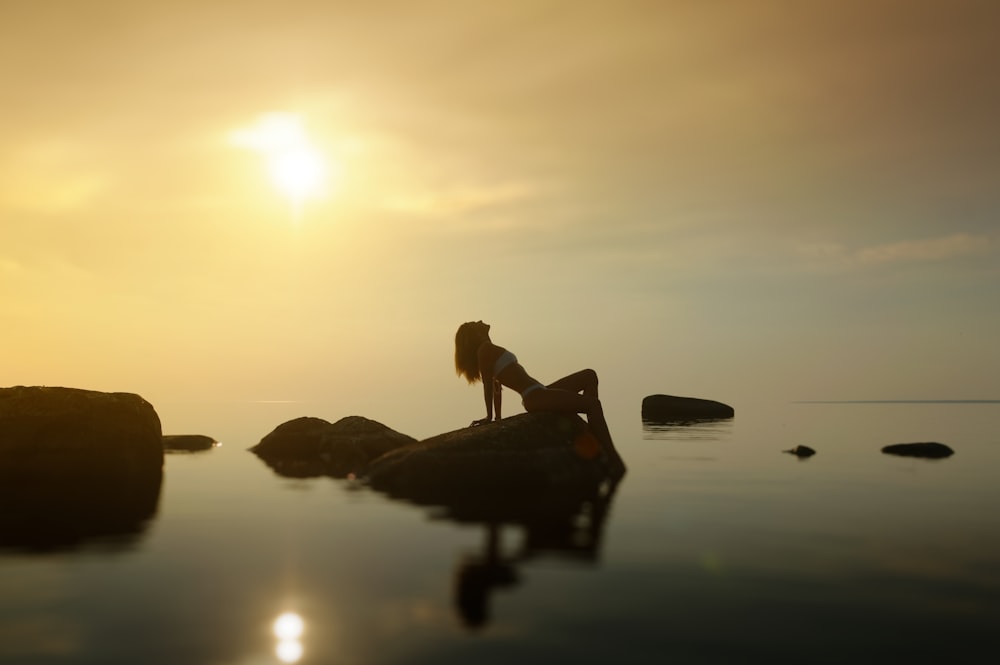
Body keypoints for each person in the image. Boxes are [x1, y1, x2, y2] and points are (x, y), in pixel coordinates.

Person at [453, 320, 615, 450]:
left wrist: (497, 417)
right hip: (534, 395)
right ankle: (607, 452)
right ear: (475, 333)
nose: (481, 320)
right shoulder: (485, 349)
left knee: (589, 375)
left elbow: (496, 388)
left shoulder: (489, 349)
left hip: (540, 390)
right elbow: (488, 386)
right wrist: (489, 416)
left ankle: (594, 433)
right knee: (593, 405)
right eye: (476, 322)